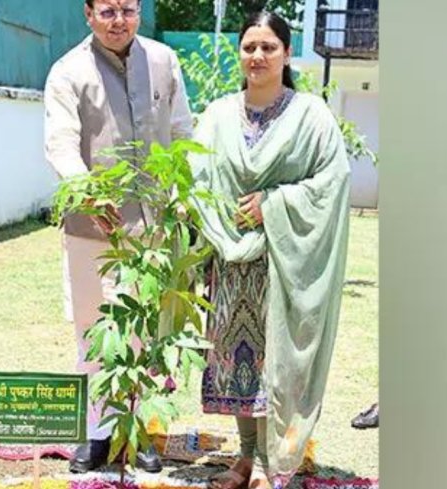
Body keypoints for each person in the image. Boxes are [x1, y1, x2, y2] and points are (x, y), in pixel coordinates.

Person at [189, 11, 351, 489]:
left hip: (284, 263)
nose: (256, 56)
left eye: (268, 47)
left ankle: (267, 465)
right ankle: (242, 458)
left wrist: (274, 204)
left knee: (276, 365)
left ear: (285, 53)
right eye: (248, 47)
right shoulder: (217, 114)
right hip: (228, 261)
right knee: (236, 364)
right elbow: (196, 174)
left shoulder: (311, 116)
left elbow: (332, 179)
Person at [43, 0, 194, 474]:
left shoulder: (164, 61)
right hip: (94, 227)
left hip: (155, 224)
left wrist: (184, 195)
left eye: (127, 9)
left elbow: (181, 128)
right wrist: (87, 191)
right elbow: (60, 142)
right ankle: (98, 433)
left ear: (140, 12)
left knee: (145, 331)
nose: (118, 21)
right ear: (87, 14)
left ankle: (138, 426)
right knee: (94, 331)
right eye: (107, 11)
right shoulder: (67, 71)